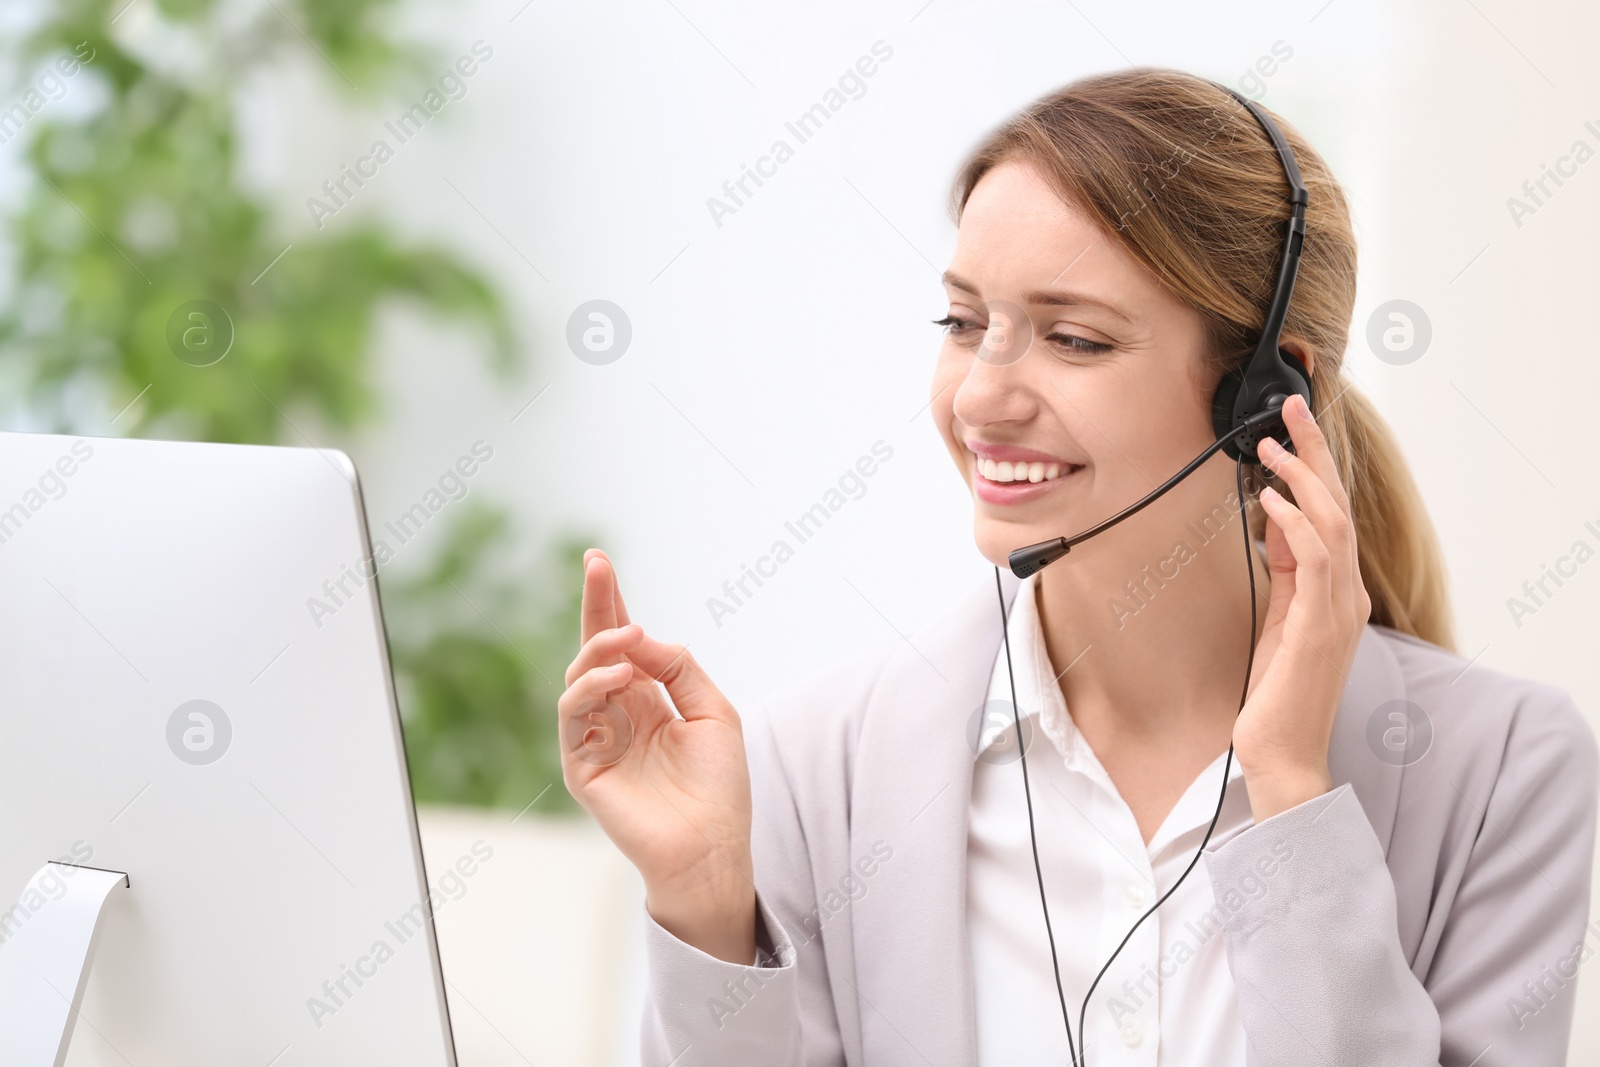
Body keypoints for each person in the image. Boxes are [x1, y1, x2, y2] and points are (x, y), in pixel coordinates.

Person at [558, 68, 1598, 1066]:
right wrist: (706, 908)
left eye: (1071, 338)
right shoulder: (813, 765)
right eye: (964, 323)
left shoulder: (1506, 768)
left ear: (1261, 393)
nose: (978, 400)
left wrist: (1290, 791)